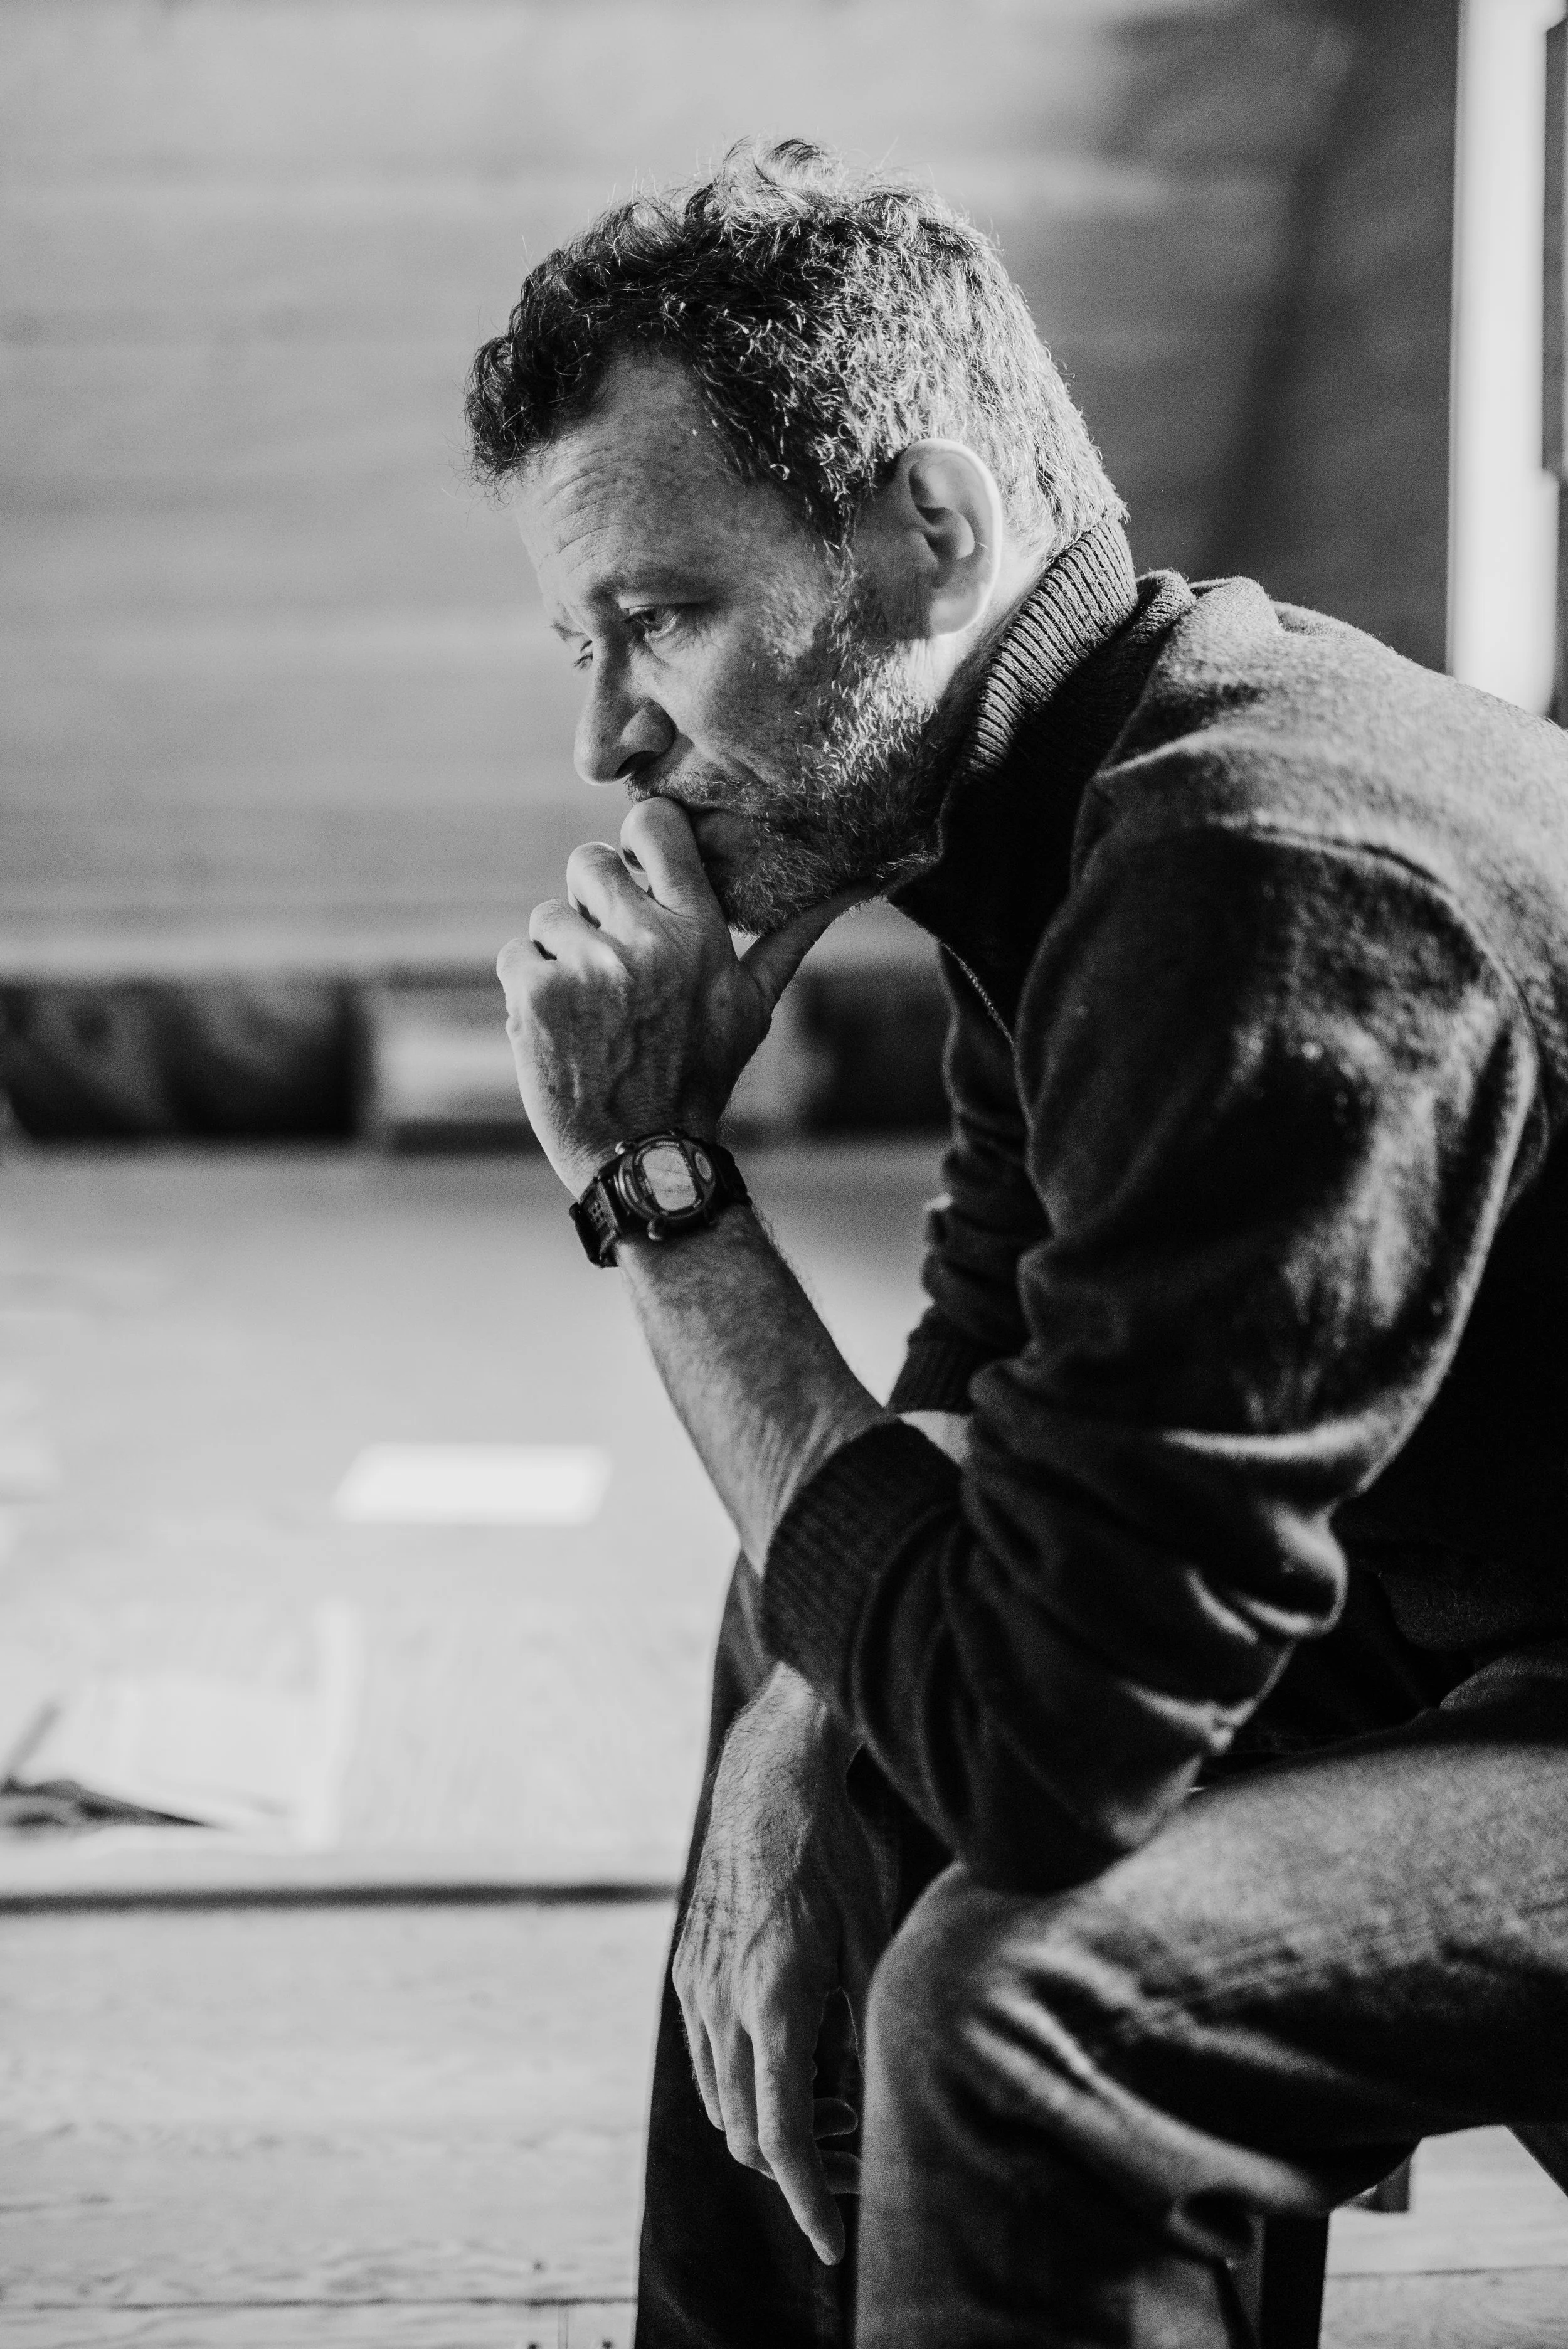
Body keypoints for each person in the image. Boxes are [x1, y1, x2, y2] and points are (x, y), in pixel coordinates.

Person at [468, 139, 1568, 2348]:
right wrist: (796, 1737)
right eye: (582, 641)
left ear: (932, 529)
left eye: (659, 615)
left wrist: (655, 1188)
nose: (606, 735)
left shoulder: (1261, 866)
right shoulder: (1071, 796)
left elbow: (1045, 1752)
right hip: (1482, 1609)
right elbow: (976, 1355)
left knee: (1020, 2004)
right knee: (820, 1600)